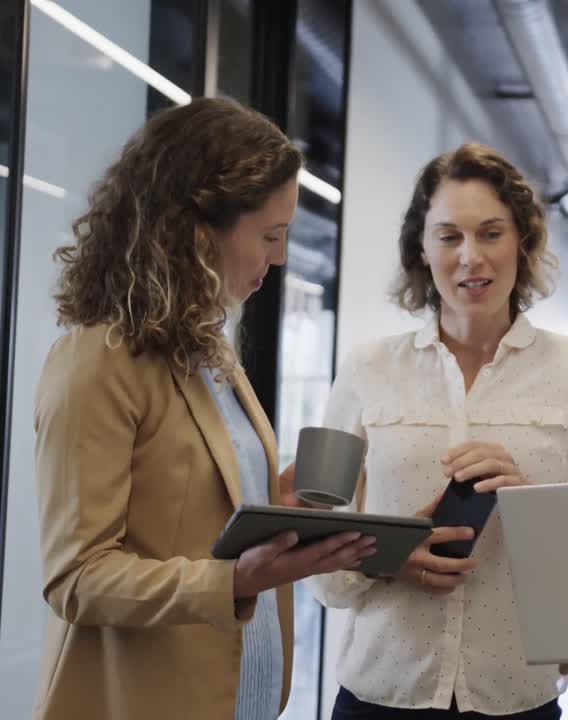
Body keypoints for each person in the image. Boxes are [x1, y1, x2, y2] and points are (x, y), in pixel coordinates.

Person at [32, 97, 376, 720]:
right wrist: (235, 581)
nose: (277, 258)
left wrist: (283, 505)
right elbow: (78, 578)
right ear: (196, 229)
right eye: (269, 236)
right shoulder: (96, 363)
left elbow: (200, 511)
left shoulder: (208, 351)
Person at [304, 142, 568, 720]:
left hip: (516, 700)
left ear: (522, 242)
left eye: (491, 233)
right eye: (449, 236)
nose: (470, 257)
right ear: (422, 248)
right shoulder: (364, 368)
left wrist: (532, 502)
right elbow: (312, 550)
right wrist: (390, 554)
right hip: (381, 696)